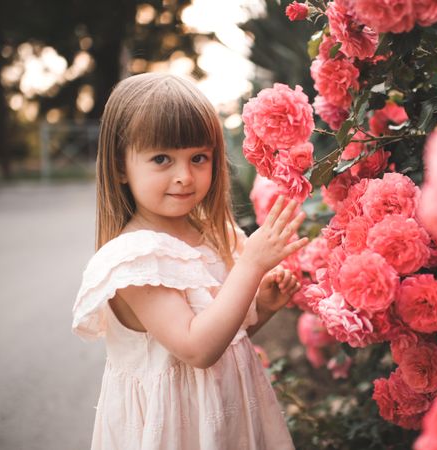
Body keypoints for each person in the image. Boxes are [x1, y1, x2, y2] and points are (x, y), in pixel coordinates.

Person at [72, 73, 308, 450]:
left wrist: (261, 307)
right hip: (174, 433)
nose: (184, 176)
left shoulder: (213, 236)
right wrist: (251, 267)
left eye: (198, 158)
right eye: (162, 159)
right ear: (119, 166)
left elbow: (225, 340)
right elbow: (198, 349)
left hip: (225, 419)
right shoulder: (135, 259)